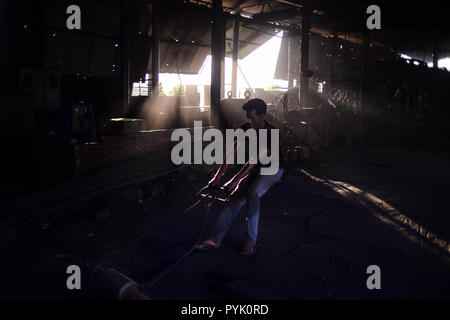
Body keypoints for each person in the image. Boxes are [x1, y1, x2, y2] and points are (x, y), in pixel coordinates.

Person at [194, 98, 284, 255]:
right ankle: (214, 240)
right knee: (233, 200)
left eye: (253, 118)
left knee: (253, 193)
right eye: (248, 117)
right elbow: (232, 154)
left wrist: (235, 180)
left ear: (263, 116)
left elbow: (255, 161)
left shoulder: (272, 133)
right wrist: (217, 177)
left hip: (273, 169)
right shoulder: (246, 129)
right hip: (255, 168)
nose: (249, 121)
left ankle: (251, 242)